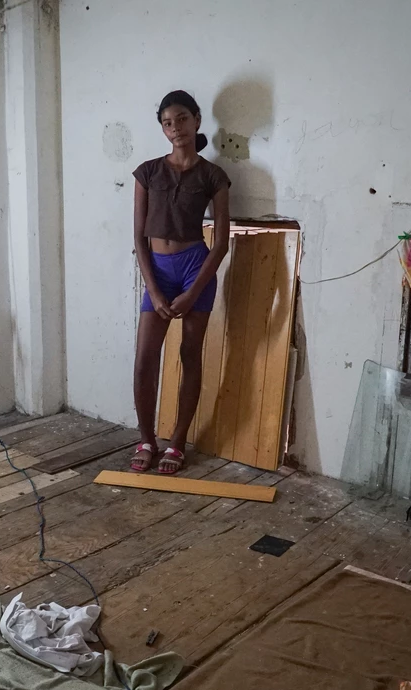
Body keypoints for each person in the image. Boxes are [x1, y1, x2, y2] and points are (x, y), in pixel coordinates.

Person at [130, 90, 231, 474]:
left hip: (195, 268)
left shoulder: (213, 176)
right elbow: (139, 238)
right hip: (158, 270)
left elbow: (220, 243)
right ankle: (146, 439)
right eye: (168, 122)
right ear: (162, 127)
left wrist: (192, 292)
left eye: (183, 119)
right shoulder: (148, 172)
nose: (176, 128)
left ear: (197, 121)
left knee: (190, 356)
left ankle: (176, 444)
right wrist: (154, 290)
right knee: (145, 360)